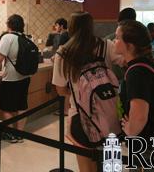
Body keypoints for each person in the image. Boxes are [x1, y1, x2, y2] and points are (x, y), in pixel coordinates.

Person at [52, 11, 123, 172]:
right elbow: (124, 61)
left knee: (87, 167)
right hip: (110, 114)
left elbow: (60, 89)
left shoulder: (64, 53)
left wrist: (82, 95)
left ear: (71, 27)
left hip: (80, 116)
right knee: (111, 165)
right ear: (91, 26)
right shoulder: (106, 45)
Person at [114, 20, 154, 141]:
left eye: (117, 38)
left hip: (147, 143)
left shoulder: (137, 72)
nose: (114, 41)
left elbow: (139, 116)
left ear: (130, 46)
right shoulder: (149, 64)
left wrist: (130, 131)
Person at [0, 14, 32, 143]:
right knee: (21, 105)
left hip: (11, 78)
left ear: (9, 25)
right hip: (25, 77)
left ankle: (11, 135)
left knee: (7, 107)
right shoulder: (25, 38)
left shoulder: (7, 37)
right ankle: (20, 134)